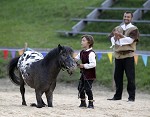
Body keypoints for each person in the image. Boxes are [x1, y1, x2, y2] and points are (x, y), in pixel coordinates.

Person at [108, 11, 139, 102]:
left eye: (128, 17)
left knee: (130, 77)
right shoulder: (118, 28)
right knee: (117, 76)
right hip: (118, 56)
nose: (126, 18)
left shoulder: (134, 29)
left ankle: (131, 97)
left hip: (128, 55)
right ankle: (117, 96)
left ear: (131, 18)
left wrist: (120, 37)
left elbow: (130, 40)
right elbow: (111, 37)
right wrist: (115, 39)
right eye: (125, 16)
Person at [74, 35, 96, 109]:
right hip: (83, 74)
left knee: (87, 88)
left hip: (90, 74)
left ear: (89, 42)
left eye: (83, 41)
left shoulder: (91, 53)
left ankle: (91, 103)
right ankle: (83, 102)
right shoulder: (82, 52)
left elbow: (93, 64)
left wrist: (83, 66)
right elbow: (76, 59)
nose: (81, 42)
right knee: (80, 87)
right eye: (82, 40)